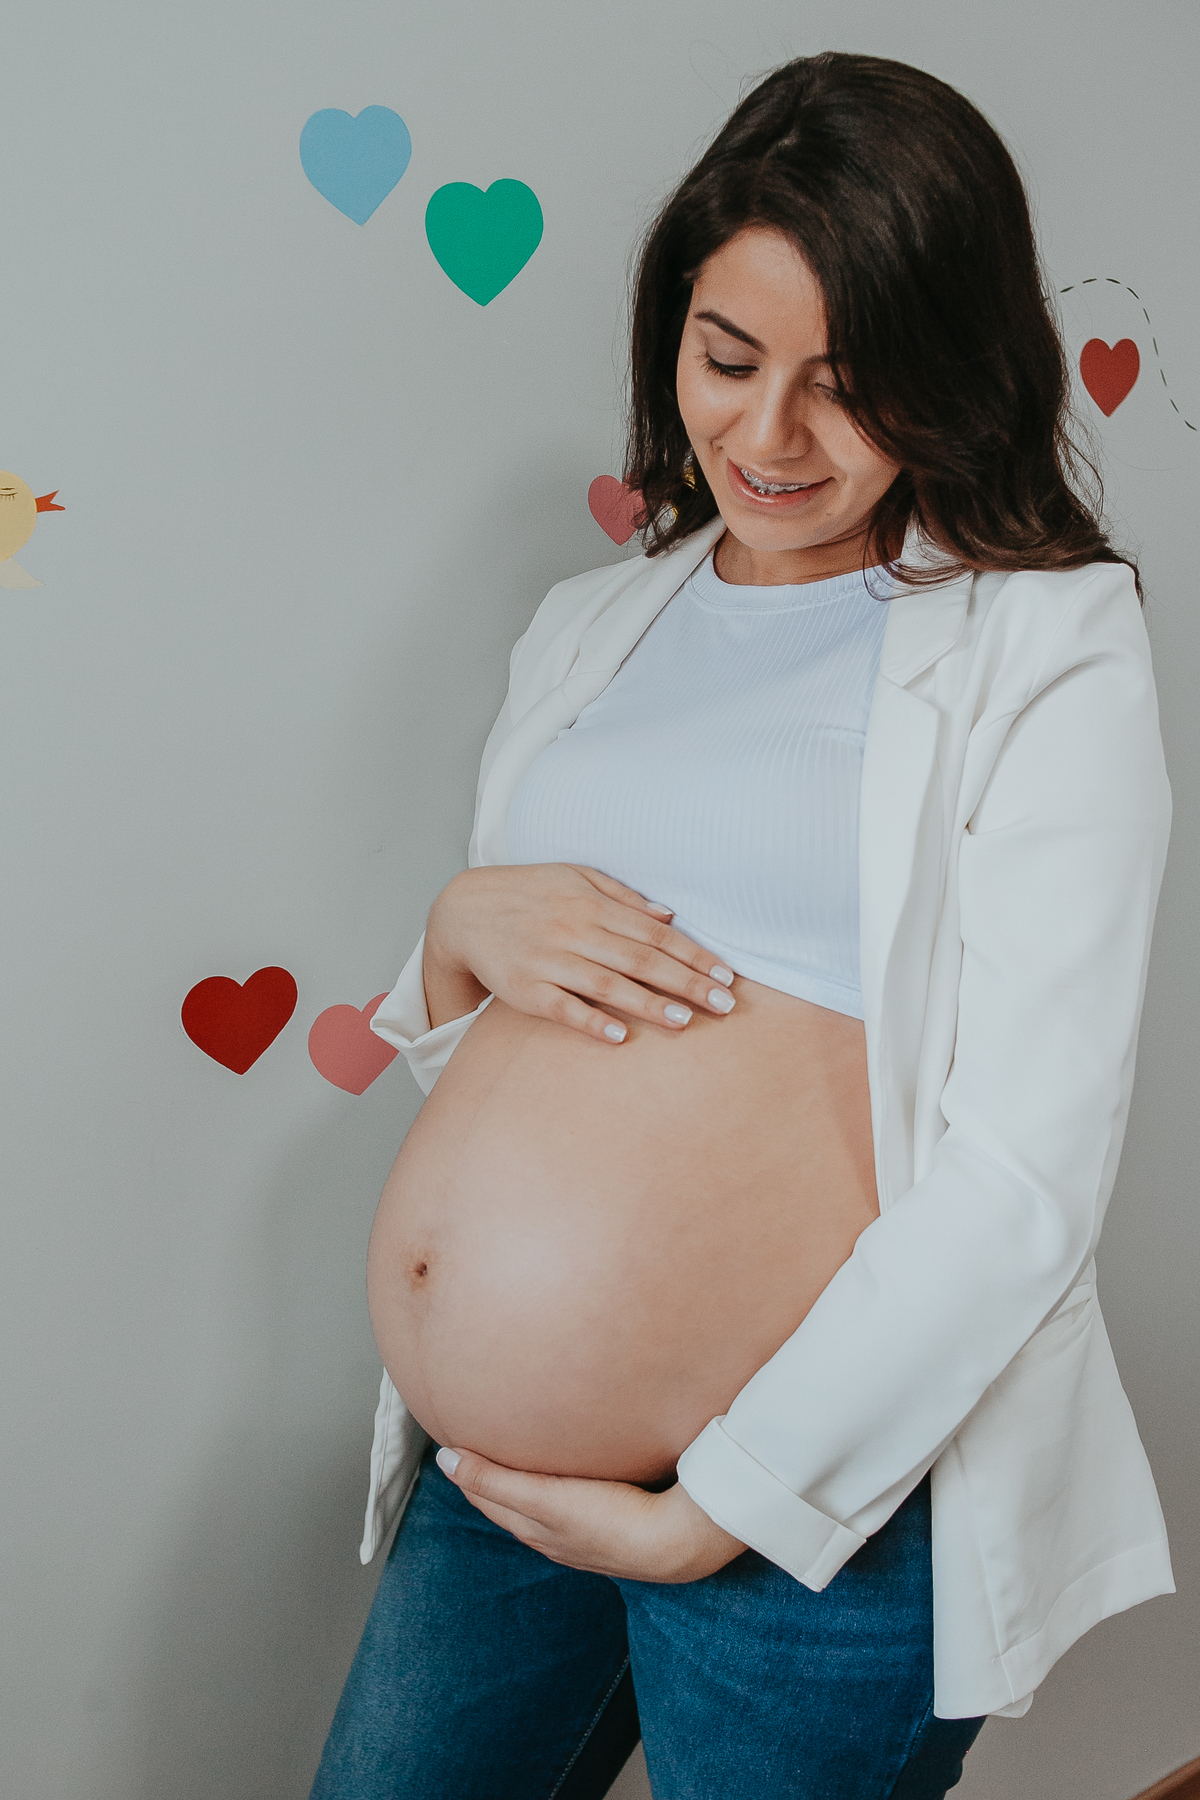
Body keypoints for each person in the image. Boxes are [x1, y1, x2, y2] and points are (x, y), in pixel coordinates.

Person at [310, 50, 1174, 1800]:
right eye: (728, 360)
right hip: (502, 1487)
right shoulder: (585, 628)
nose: (768, 438)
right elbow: (541, 1077)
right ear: (672, 333)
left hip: (817, 1505)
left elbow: (1027, 1167)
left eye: (850, 388)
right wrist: (455, 944)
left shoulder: (1047, 646)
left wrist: (725, 1504)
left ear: (954, 376)